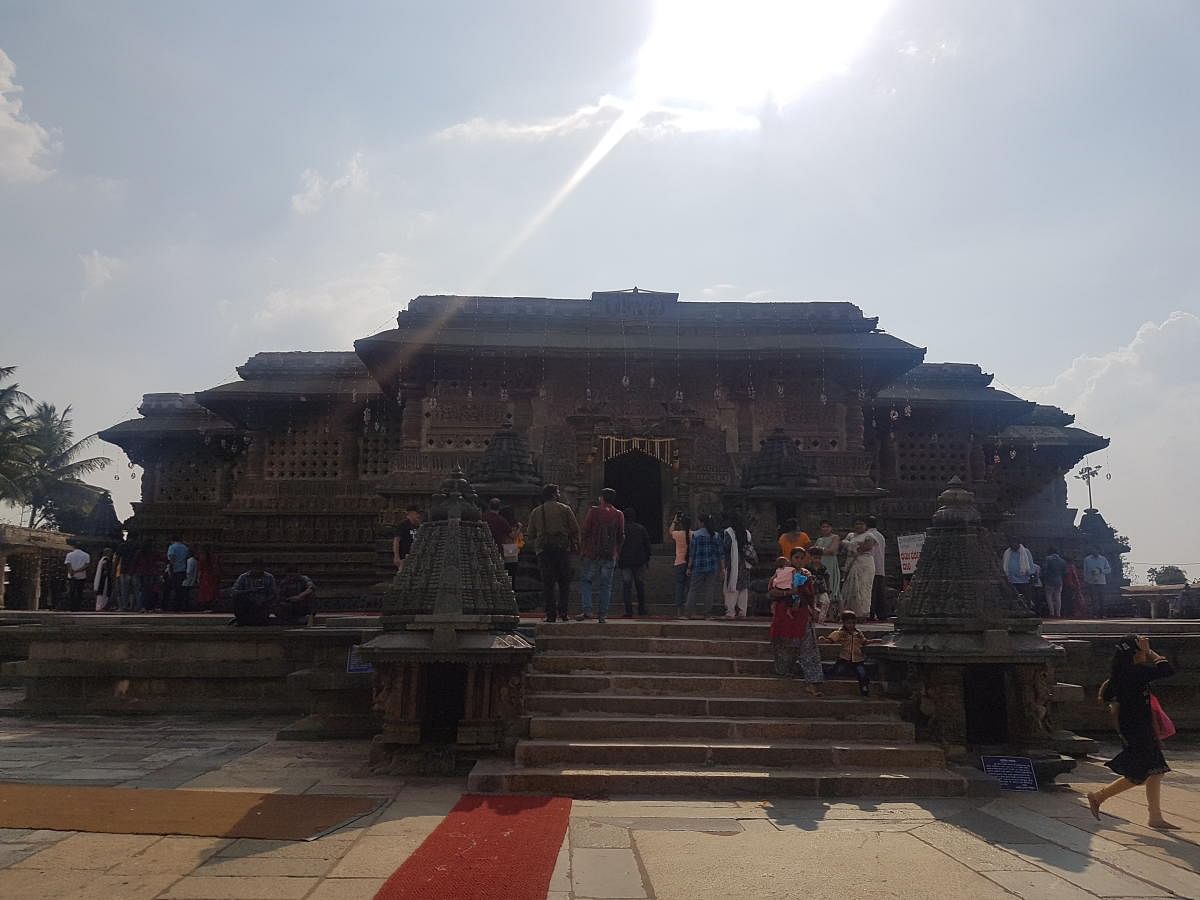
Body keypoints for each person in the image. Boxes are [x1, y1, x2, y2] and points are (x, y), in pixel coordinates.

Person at [1086, 635, 1178, 829]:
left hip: (1136, 727)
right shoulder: (1134, 672)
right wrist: (1151, 653)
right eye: (1142, 650)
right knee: (1146, 771)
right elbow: (1167, 670)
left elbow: (1108, 696)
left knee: (1152, 771)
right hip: (1138, 729)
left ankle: (1154, 816)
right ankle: (1100, 797)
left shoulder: (1121, 674)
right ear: (1135, 654)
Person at [768, 548, 824, 695]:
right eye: (796, 557)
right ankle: (784, 671)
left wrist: (814, 609)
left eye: (801, 558)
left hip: (802, 614)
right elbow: (772, 591)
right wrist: (788, 592)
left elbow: (812, 595)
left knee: (809, 647)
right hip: (784, 614)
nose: (798, 560)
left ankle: (812, 682)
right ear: (791, 558)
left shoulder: (807, 574)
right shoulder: (782, 572)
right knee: (783, 644)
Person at [525, 483, 581, 623]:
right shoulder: (565, 509)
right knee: (564, 582)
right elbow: (575, 529)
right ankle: (563, 612)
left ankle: (550, 614)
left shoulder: (536, 512)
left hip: (543, 550)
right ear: (555, 494)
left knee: (548, 583)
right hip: (562, 549)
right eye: (558, 492)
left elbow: (530, 534)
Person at [577, 488, 625, 623]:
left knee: (586, 581)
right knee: (606, 585)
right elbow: (621, 535)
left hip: (592, 553)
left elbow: (585, 531)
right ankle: (602, 615)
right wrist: (617, 551)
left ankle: (587, 610)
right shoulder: (618, 514)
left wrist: (583, 549)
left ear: (602, 498)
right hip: (610, 554)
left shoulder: (594, 512)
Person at [821, 611, 881, 697]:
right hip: (845, 657)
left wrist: (875, 641)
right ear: (844, 623)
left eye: (853, 623)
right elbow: (831, 639)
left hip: (858, 659)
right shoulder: (840, 633)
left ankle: (864, 688)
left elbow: (864, 642)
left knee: (862, 673)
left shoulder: (858, 633)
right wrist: (824, 640)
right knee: (837, 669)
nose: (851, 625)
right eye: (849, 623)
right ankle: (823, 676)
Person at [684, 513, 723, 620]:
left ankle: (688, 612)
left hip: (698, 566)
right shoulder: (715, 535)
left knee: (693, 589)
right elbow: (720, 554)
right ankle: (707, 613)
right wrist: (722, 569)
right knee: (709, 589)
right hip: (712, 566)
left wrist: (689, 567)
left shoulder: (695, 535)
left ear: (701, 522)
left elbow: (692, 553)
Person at [617, 507, 652, 617]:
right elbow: (647, 545)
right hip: (639, 561)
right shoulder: (640, 529)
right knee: (640, 586)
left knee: (627, 586)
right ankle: (641, 609)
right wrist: (647, 558)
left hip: (625, 561)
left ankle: (628, 611)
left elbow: (617, 544)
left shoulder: (621, 529)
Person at [721, 512, 755, 618]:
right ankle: (742, 611)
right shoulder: (747, 533)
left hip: (732, 563)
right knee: (743, 588)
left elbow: (726, 548)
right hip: (745, 564)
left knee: (731, 587)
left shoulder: (729, 532)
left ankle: (730, 612)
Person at [841, 520, 876, 618]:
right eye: (857, 524)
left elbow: (867, 547)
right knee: (850, 588)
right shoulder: (850, 535)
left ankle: (863, 614)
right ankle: (850, 613)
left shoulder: (870, 535)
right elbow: (843, 545)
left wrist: (851, 545)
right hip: (851, 563)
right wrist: (853, 545)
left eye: (861, 524)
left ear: (866, 525)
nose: (859, 526)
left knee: (863, 588)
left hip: (865, 564)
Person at [230, 559, 278, 626]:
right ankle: (241, 619)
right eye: (256, 567)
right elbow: (234, 592)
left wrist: (264, 600)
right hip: (248, 602)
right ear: (251, 568)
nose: (257, 570)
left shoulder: (269, 577)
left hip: (263, 603)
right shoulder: (243, 577)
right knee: (237, 598)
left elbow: (273, 593)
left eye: (260, 568)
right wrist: (250, 591)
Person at [811, 520, 842, 611]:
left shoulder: (835, 537)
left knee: (831, 585)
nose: (825, 529)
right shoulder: (819, 540)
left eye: (827, 527)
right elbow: (813, 552)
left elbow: (832, 551)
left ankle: (834, 612)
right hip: (820, 564)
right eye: (823, 527)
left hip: (830, 564)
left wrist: (818, 550)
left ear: (831, 528)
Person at [668, 512, 692, 617]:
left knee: (679, 586)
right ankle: (689, 610)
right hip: (690, 563)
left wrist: (674, 521)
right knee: (689, 587)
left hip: (679, 562)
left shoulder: (678, 534)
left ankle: (679, 611)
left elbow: (670, 531)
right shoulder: (693, 534)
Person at [1001, 539, 1036, 609]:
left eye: (1014, 543)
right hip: (1011, 580)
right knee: (1012, 598)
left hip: (1024, 580)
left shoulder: (1026, 552)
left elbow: (1030, 564)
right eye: (1011, 543)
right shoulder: (1007, 552)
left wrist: (1031, 575)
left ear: (1018, 544)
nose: (1013, 545)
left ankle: (1027, 609)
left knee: (1026, 597)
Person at [865, 515, 887, 620]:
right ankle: (882, 614)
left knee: (871, 592)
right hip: (880, 567)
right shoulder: (880, 536)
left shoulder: (868, 535)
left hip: (870, 566)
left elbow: (870, 552)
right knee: (879, 593)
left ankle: (871, 613)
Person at [392, 506, 423, 572]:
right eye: (416, 514)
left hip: (416, 556)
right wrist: (396, 556)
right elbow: (396, 541)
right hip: (404, 557)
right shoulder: (403, 525)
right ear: (410, 514)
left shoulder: (419, 526)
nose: (418, 516)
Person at [1083, 549, 1113, 618]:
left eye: (1096, 551)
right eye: (1094, 551)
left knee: (1102, 598)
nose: (1095, 552)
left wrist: (1101, 570)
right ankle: (1094, 614)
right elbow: (1085, 571)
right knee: (1093, 599)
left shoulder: (1103, 559)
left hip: (1101, 581)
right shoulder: (1087, 559)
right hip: (1091, 581)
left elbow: (1109, 570)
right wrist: (1086, 580)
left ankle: (1103, 614)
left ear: (1099, 551)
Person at [499, 505, 523, 587]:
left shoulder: (502, 523)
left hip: (503, 546)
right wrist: (519, 528)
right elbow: (514, 536)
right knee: (512, 572)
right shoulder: (514, 525)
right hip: (511, 548)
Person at [1041, 547, 1068, 618]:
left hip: (1049, 580)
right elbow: (1065, 572)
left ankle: (1051, 612)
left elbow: (1044, 569)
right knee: (1058, 597)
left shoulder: (1047, 559)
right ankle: (1058, 613)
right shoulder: (1062, 561)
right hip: (1059, 580)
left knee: (1049, 596)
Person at [63, 544, 90, 612]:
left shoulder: (69, 554)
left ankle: (72, 607)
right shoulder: (86, 555)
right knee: (79, 592)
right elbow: (86, 565)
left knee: (71, 592)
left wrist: (71, 571)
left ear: (74, 547)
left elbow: (68, 564)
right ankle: (78, 607)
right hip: (81, 576)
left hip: (71, 576)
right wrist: (77, 571)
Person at [165, 536, 189, 611]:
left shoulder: (172, 547)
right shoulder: (185, 548)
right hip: (183, 569)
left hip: (175, 570)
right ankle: (180, 606)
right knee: (180, 589)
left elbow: (172, 558)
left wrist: (170, 569)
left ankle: (173, 606)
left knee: (172, 589)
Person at [196, 545, 221, 610]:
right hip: (211, 575)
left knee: (205, 591)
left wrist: (198, 577)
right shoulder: (213, 558)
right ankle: (210, 604)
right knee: (211, 590)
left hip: (205, 576)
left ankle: (206, 605)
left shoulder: (202, 558)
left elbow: (200, 569)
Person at [93, 548, 114, 612]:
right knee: (103, 591)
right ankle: (100, 606)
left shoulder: (101, 559)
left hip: (103, 578)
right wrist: (107, 571)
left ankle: (102, 606)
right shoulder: (105, 559)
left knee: (103, 592)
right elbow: (105, 566)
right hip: (104, 578)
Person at [180, 547, 199, 612]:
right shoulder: (195, 560)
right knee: (187, 594)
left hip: (187, 579)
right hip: (192, 579)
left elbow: (189, 571)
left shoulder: (190, 560)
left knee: (185, 594)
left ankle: (185, 606)